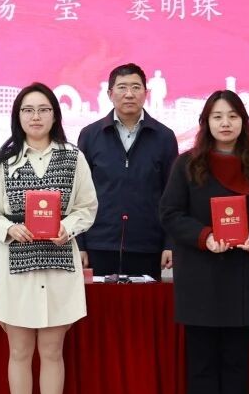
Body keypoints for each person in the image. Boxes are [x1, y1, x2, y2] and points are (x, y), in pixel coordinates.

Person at [160, 91, 249, 394]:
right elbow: (169, 214)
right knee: (201, 366)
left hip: (242, 280)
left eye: (232, 116)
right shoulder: (187, 165)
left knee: (236, 366)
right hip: (199, 280)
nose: (225, 123)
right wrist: (204, 237)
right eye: (217, 116)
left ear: (243, 121)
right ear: (206, 123)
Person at [0, 83, 98, 394]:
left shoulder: (73, 157)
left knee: (51, 351)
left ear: (55, 115)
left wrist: (69, 227)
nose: (35, 116)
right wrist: (9, 228)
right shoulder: (5, 162)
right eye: (28, 110)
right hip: (16, 266)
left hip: (59, 265)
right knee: (18, 352)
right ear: (18, 116)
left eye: (43, 109)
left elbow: (87, 207)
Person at [76, 62, 178, 279]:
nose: (129, 94)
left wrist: (170, 243)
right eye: (122, 87)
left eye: (136, 87)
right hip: (99, 243)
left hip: (147, 245)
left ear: (146, 93)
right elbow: (78, 193)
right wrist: (80, 243)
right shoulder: (90, 135)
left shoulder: (164, 137)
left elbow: (172, 196)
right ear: (110, 93)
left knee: (144, 302)